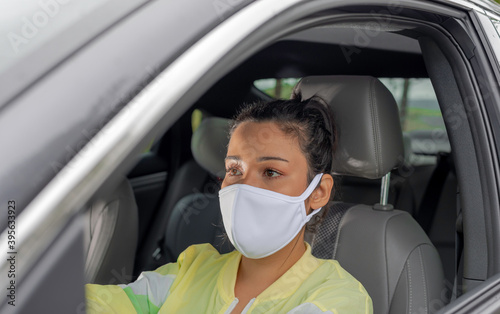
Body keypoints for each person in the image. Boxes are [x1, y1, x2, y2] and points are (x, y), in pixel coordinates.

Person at [85, 94, 373, 313]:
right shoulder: (191, 269)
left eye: (271, 172)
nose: (245, 187)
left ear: (318, 191)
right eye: (235, 170)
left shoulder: (338, 298)